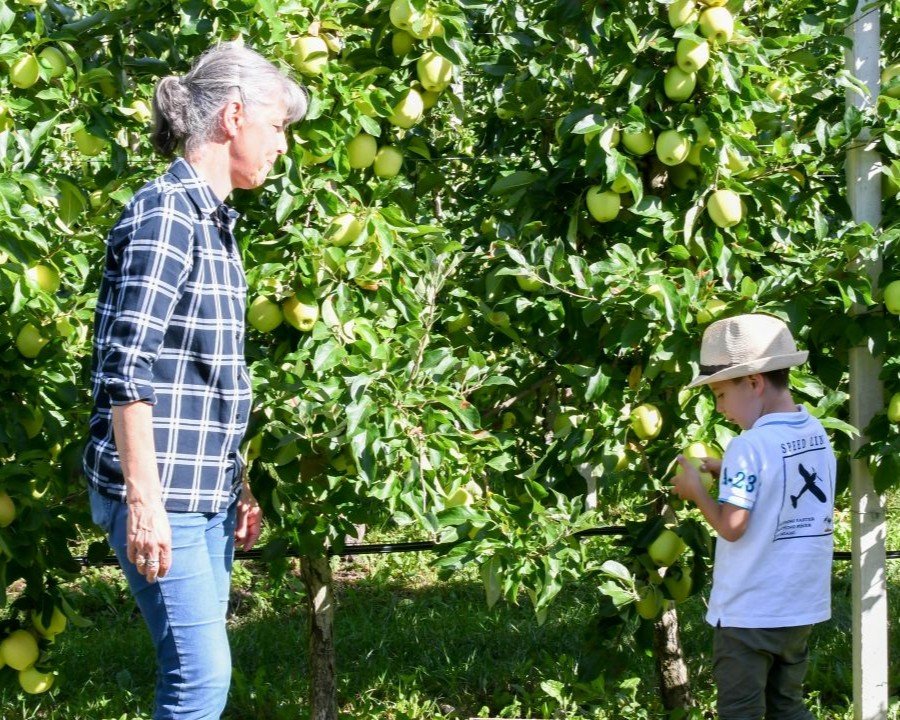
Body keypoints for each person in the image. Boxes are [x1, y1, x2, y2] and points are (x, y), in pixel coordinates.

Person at [82, 43, 308, 719]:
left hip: (202, 490)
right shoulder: (167, 215)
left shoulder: (214, 223)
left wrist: (235, 482)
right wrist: (145, 504)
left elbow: (202, 374)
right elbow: (127, 368)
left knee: (202, 675)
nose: (283, 147)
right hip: (162, 493)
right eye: (278, 128)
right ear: (234, 117)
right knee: (199, 680)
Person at [671, 313, 835, 720]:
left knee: (740, 712)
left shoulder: (749, 444)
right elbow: (782, 479)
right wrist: (727, 467)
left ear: (754, 382)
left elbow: (732, 526)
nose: (720, 408)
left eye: (721, 395)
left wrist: (696, 493)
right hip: (799, 607)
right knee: (788, 706)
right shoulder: (814, 433)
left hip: (750, 612)